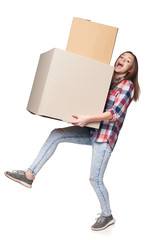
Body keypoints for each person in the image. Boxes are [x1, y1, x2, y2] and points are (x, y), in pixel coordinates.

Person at [5, 51, 140, 231]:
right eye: (121, 57)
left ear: (131, 69)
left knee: (95, 179)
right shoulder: (105, 79)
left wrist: (87, 118)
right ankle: (29, 175)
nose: (122, 60)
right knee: (56, 134)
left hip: (104, 137)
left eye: (128, 60)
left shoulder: (127, 86)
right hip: (91, 130)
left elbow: (114, 113)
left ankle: (107, 214)